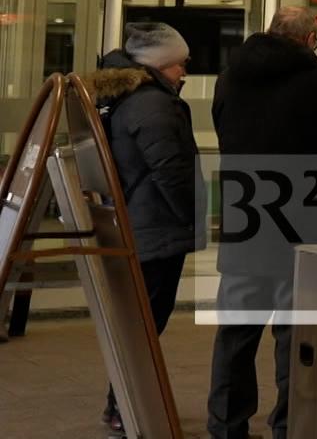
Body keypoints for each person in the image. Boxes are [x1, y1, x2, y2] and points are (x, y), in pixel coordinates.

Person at [208, 6, 317, 439]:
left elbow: (225, 132)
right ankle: (289, 427)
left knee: (235, 337)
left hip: (246, 223)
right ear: (307, 38)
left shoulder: (230, 78)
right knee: (295, 338)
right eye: (315, 39)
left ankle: (226, 428)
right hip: (303, 228)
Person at [90, 23, 203, 437]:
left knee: (138, 321)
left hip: (135, 224)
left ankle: (119, 402)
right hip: (153, 228)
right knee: (146, 323)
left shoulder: (121, 96)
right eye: (179, 65)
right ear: (160, 64)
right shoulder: (153, 104)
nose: (184, 73)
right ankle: (125, 406)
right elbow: (170, 169)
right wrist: (190, 216)